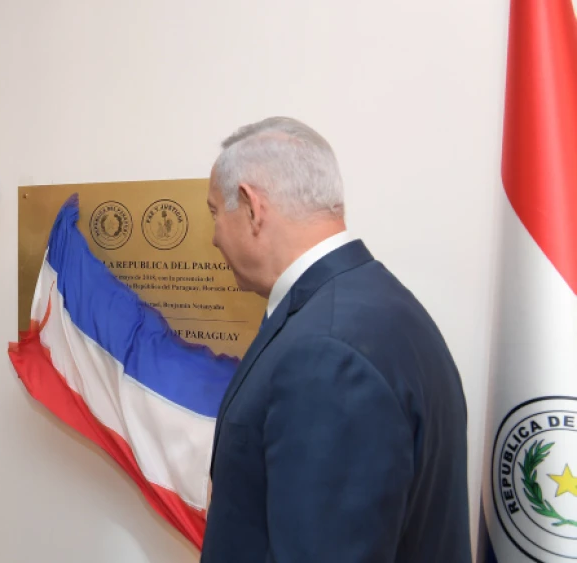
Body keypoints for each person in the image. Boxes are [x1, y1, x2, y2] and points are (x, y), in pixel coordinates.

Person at [202, 118, 471, 562]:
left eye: (215, 212)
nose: (213, 237)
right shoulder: (379, 304)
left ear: (251, 206)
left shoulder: (325, 353)